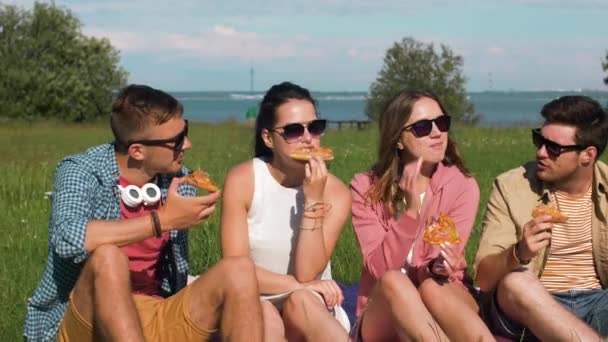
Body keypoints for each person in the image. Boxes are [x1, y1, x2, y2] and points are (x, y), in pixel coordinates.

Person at [24, 84, 263, 342]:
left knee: (239, 270)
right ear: (137, 150)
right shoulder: (82, 171)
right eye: (177, 140)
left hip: (154, 311)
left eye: (186, 131)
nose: (188, 145)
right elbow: (67, 238)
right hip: (87, 320)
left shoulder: (177, 180)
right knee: (108, 256)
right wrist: (162, 220)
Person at [350, 89, 494, 341]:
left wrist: (442, 265)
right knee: (395, 280)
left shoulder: (461, 185)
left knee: (431, 286)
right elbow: (378, 268)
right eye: (423, 127)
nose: (437, 133)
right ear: (398, 139)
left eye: (442, 122)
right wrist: (411, 213)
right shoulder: (365, 187)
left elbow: (445, 261)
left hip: (441, 297)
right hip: (384, 310)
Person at [220, 81, 351, 341]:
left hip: (311, 302)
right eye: (293, 130)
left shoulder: (335, 192)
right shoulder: (244, 180)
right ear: (268, 138)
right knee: (264, 313)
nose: (307, 138)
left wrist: (313, 199)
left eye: (314, 128)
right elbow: (236, 268)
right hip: (256, 295)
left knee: (300, 300)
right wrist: (298, 285)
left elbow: (307, 272)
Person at [475, 95, 607, 341]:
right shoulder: (511, 186)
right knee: (516, 282)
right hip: (531, 304)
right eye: (539, 140)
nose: (540, 153)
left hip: (597, 301)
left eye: (554, 148)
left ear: (587, 155)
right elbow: (483, 277)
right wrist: (518, 252)